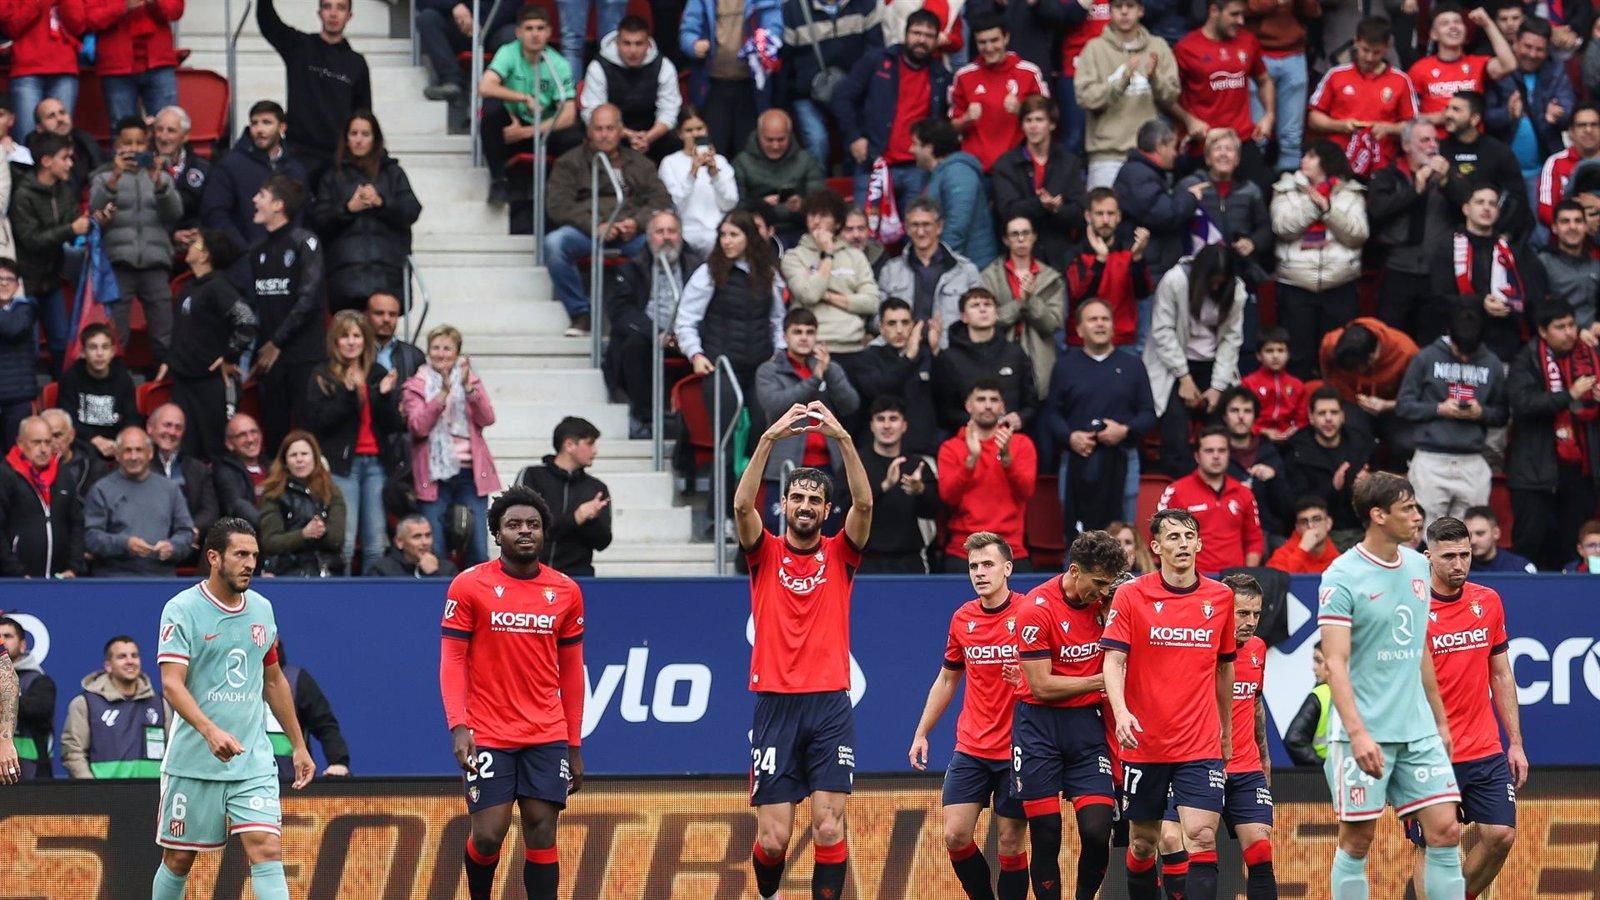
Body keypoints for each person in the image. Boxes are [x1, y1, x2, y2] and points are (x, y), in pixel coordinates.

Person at [734, 402, 871, 900]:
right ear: (785, 505)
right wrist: (768, 440)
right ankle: (768, 895)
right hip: (775, 704)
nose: (806, 505)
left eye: (815, 499)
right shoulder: (764, 552)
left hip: (830, 704)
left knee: (829, 827)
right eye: (797, 497)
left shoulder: (841, 553)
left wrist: (844, 439)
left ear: (827, 510)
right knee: (773, 840)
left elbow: (865, 506)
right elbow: (741, 508)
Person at [1315, 472, 1465, 899]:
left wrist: (1440, 722)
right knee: (1358, 841)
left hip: (1417, 729)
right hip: (1364, 732)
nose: (1418, 516)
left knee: (1446, 830)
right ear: (1378, 515)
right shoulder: (1342, 575)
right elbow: (1335, 663)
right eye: (1407, 508)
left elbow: (1419, 649)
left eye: (1416, 506)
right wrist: (1358, 733)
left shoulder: (1418, 566)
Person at [149, 518, 314, 900]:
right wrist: (209, 731)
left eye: (254, 555)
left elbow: (273, 680)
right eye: (240, 554)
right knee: (178, 859)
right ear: (213, 557)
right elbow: (171, 683)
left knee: (266, 848)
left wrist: (299, 745)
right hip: (194, 762)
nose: (250, 563)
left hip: (251, 760)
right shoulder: (182, 609)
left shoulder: (262, 609)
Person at [438, 486, 583, 900]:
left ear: (544, 533)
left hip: (546, 731)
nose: (525, 531)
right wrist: (458, 725)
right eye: (514, 524)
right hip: (487, 730)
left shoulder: (566, 591)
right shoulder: (469, 585)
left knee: (542, 827)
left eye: (533, 525)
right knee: (488, 834)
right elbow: (452, 660)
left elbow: (572, 673)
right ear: (496, 533)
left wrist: (573, 744)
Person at [1102, 507, 1238, 900]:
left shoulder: (1221, 597)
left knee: (1202, 835)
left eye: (1189, 536)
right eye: (1173, 537)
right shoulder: (1131, 594)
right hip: (1145, 742)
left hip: (1199, 743)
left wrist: (1225, 729)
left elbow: (1224, 668)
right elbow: (1113, 660)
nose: (1182, 544)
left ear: (1199, 544)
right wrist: (1122, 712)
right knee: (1143, 843)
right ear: (1157, 547)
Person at [907, 532, 1032, 900]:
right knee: (955, 835)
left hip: (1017, 749)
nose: (979, 572)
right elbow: (948, 679)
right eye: (974, 566)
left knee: (1010, 841)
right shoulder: (963, 618)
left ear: (1007, 569)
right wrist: (921, 732)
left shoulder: (1030, 612)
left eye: (988, 564)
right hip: (972, 748)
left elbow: (1051, 671)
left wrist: (1025, 679)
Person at [1009, 531, 1127, 900]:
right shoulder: (1036, 609)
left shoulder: (1108, 605)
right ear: (1075, 571)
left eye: (1109, 584)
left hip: (1085, 726)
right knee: (1046, 834)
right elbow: (1042, 686)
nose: (1103, 591)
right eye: (1099, 582)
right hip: (1038, 726)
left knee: (1097, 830)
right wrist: (1102, 679)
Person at [1411, 516, 1525, 899]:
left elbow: (1501, 675)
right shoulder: (1411, 609)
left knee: (1501, 835)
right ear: (1429, 557)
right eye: (1449, 557)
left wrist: (1516, 743)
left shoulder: (1488, 601)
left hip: (1484, 747)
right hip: (1429, 749)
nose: (1459, 564)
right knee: (1435, 841)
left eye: (1465, 554)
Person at [545, 104, 672, 336]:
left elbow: (661, 200)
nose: (604, 134)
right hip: (588, 231)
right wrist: (595, 225)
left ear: (621, 131)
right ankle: (581, 313)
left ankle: (650, 315)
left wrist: (637, 223)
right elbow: (558, 206)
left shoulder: (640, 163)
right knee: (554, 244)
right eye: (599, 128)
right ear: (589, 131)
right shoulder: (569, 162)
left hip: (631, 233)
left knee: (663, 243)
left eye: (610, 128)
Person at [674, 209, 788, 454]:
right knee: (725, 438)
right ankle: (721, 481)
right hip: (721, 366)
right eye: (723, 235)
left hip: (760, 365)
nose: (726, 241)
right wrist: (695, 354)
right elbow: (686, 319)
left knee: (762, 436)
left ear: (749, 237)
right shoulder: (708, 273)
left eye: (733, 235)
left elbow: (777, 319)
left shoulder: (768, 273)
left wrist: (779, 351)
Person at [1047, 299, 1156, 543]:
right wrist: (1070, 437)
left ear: (1113, 326)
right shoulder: (1064, 367)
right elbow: (1052, 414)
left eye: (1105, 319)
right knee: (1077, 537)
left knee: (1123, 533)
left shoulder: (1133, 366)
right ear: (1079, 329)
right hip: (1077, 457)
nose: (1100, 324)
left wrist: (1124, 430)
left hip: (1123, 457)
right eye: (1093, 319)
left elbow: (1148, 414)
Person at [304, 310, 402, 574]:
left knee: (376, 543)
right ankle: (342, 594)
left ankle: (372, 595)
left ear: (365, 340)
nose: (351, 342)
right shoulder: (323, 374)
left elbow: (394, 424)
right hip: (342, 466)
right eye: (345, 336)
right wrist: (348, 395)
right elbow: (319, 423)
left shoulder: (377, 372)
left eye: (357, 336)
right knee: (344, 542)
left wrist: (383, 396)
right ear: (335, 341)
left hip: (377, 465)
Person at [1506, 301, 1600, 572]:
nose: (1569, 332)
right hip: (1534, 472)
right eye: (1560, 327)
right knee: (1530, 544)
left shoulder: (1589, 355)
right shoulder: (1526, 359)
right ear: (1543, 331)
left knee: (1571, 548)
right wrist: (1568, 395)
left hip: (1580, 470)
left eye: (1572, 324)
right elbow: (1523, 404)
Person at [1397, 307, 1507, 531]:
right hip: (1431, 458)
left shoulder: (1492, 363)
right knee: (1424, 532)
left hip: (1472, 460)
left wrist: (1481, 413)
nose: (1465, 357)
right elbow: (1403, 406)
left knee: (1468, 536)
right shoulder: (1426, 357)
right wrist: (1439, 409)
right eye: (1460, 351)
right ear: (1449, 335)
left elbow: (1502, 414)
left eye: (1471, 353)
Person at [754, 307, 862, 531]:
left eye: (810, 332)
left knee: (828, 533)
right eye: (797, 332)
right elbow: (775, 405)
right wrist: (815, 379)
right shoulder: (769, 370)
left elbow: (850, 405)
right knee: (780, 532)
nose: (804, 337)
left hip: (827, 468)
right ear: (785, 336)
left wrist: (828, 372)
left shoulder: (828, 368)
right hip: (785, 468)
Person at [1144, 245, 1246, 477]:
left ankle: (1221, 482)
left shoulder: (1237, 290)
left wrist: (1217, 387)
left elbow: (1231, 339)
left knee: (1220, 426)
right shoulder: (1175, 281)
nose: (1216, 287)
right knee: (1176, 430)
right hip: (1173, 364)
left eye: (1221, 282)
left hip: (1214, 365)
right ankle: (1182, 487)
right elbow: (1163, 331)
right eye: (1212, 281)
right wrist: (1184, 377)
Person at [402, 325, 501, 565]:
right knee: (435, 548)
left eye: (447, 348)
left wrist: (468, 389)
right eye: (436, 348)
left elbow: (487, 418)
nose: (441, 354)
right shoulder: (415, 385)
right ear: (428, 351)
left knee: (478, 549)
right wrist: (441, 396)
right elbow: (418, 427)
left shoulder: (470, 380)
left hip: (470, 474)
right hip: (433, 475)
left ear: (457, 353)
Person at [833, 11, 951, 211]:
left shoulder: (941, 76)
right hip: (874, 162)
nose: (921, 40)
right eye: (916, 33)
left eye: (929, 36)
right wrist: (854, 137)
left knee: (917, 227)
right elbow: (841, 98)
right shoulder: (877, 60)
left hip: (917, 168)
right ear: (905, 34)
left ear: (936, 40)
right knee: (865, 227)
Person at [1270, 140, 1369, 379]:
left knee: (1338, 357)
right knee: (1298, 358)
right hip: (1296, 284)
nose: (1303, 160)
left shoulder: (1351, 192)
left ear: (1327, 161)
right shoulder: (1285, 188)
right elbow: (1282, 227)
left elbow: (1358, 234)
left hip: (1339, 284)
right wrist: (1314, 206)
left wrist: (1329, 211)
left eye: (1311, 156)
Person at [89, 116, 183, 362]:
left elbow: (175, 214)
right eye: (127, 142)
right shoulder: (103, 177)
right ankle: (115, 379)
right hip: (119, 263)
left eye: (139, 143)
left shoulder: (161, 177)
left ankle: (166, 378)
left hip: (155, 262)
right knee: (116, 334)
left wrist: (159, 185)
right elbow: (94, 211)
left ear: (147, 144)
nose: (134, 148)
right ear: (116, 145)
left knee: (164, 332)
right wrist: (114, 179)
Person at [310, 112, 423, 313]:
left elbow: (411, 211)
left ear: (375, 139)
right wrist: (348, 209)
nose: (359, 140)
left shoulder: (393, 173)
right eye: (353, 134)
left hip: (387, 274)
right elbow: (319, 221)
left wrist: (381, 203)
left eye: (365, 134)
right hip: (345, 276)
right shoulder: (332, 176)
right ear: (346, 138)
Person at [162, 228, 257, 464]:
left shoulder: (219, 287)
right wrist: (169, 360)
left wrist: (230, 356)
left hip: (212, 384)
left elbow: (246, 321)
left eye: (196, 243)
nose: (190, 246)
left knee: (219, 452)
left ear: (205, 255)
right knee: (187, 456)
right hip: (185, 383)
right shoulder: (189, 287)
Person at [249, 174, 327, 457]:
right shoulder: (257, 251)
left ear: (278, 205)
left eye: (262, 195)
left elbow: (308, 300)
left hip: (303, 356)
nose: (254, 200)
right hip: (270, 358)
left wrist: (277, 342)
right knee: (274, 432)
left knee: (308, 432)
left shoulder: (305, 242)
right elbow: (258, 305)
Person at [258, 0, 373, 183]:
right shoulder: (300, 46)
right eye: (327, 7)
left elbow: (364, 115)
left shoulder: (357, 63)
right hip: (298, 154)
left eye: (340, 8)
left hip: (338, 158)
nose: (333, 14)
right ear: (319, 13)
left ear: (349, 16)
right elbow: (268, 22)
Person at [1214, 573, 1279, 895]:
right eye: (1242, 613)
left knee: (1261, 850)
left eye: (1256, 614)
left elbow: (1254, 702)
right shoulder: (1203, 649)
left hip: (1247, 767)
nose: (1251, 622)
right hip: (1203, 765)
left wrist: (1264, 758)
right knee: (1189, 848)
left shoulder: (1258, 649)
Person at [1431, 184, 1546, 365]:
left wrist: (1511, 305)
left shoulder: (1514, 252)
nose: (1487, 208)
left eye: (1492, 204)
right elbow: (1439, 298)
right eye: (1480, 202)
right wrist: (1480, 303)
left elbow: (1530, 297)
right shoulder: (1447, 247)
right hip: (1459, 342)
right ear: (1466, 209)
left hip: (1505, 343)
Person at [200, 101, 310, 290]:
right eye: (254, 123)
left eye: (266, 122)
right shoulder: (230, 165)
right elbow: (215, 213)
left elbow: (303, 216)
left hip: (290, 263)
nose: (259, 129)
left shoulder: (296, 169)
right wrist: (245, 251)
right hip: (243, 267)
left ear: (282, 127)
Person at [479, 6, 580, 206]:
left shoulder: (559, 64)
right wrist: (523, 98)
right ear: (518, 32)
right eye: (529, 28)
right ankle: (499, 180)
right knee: (491, 109)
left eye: (540, 28)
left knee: (574, 135)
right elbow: (485, 87)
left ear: (549, 32)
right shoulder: (508, 52)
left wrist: (527, 132)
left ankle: (560, 191)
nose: (535, 34)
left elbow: (569, 114)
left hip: (541, 129)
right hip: (512, 126)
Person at [1075, 0, 1181, 190]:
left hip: (1149, 156)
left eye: (1130, 6)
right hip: (1107, 155)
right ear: (1110, 11)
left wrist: (1154, 78)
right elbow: (1085, 98)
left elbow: (1172, 95)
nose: (1124, 12)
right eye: (1118, 6)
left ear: (1141, 10)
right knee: (1103, 210)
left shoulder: (1158, 46)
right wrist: (1122, 80)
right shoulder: (1094, 49)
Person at [780, 189, 881, 379]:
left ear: (837, 223)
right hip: (813, 350)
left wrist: (827, 296)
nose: (816, 221)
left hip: (853, 347)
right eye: (812, 215)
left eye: (824, 215)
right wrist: (827, 255)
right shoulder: (794, 257)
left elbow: (872, 302)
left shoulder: (855, 256)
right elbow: (810, 295)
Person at [938, 379, 1037, 572]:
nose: (988, 405)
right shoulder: (951, 447)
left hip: (1010, 550)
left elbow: (1026, 492)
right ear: (968, 406)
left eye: (994, 399)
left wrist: (1007, 460)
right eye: (981, 399)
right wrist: (971, 461)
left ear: (1002, 407)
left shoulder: (1021, 444)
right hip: (964, 551)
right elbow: (948, 497)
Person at [1172, 0, 1275, 185]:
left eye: (1242, 15)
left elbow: (1264, 80)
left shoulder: (1248, 41)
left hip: (1242, 138)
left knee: (1261, 190)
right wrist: (1188, 120)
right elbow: (1168, 97)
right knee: (1199, 196)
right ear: (1214, 11)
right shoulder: (1186, 47)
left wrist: (1269, 115)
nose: (1241, 21)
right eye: (1234, 14)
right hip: (1205, 141)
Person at [1368, 119, 1452, 345]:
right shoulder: (1387, 175)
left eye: (1435, 140)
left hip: (1436, 272)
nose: (1432, 146)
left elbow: (1467, 204)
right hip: (1397, 269)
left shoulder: (1446, 176)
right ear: (1406, 145)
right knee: (1391, 340)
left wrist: (1448, 181)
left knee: (1431, 342)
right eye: (1425, 140)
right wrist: (1415, 188)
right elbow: (1377, 211)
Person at [10, 132, 90, 369]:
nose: (70, 163)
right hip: (25, 283)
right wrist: (71, 229)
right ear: (46, 161)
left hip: (52, 279)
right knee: (29, 346)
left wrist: (94, 220)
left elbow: (73, 219)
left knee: (61, 343)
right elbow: (32, 240)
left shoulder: (64, 189)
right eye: (64, 158)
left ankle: (62, 389)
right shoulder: (23, 195)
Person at [778, 0, 884, 168]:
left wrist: (854, 88)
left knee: (857, 141)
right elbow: (786, 62)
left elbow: (875, 54)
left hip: (854, 92)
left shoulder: (865, 4)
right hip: (807, 92)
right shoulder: (793, 9)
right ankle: (816, 183)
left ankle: (854, 181)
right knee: (817, 142)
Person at [992, 96, 1088, 268]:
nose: (1033, 126)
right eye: (1028, 120)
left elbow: (1080, 213)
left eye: (1039, 120)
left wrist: (1058, 209)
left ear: (1052, 124)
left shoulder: (1069, 163)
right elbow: (1006, 211)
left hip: (1060, 257)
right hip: (1019, 258)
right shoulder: (1006, 164)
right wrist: (1040, 205)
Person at [84, 427, 194, 576]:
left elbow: (186, 532)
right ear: (117, 455)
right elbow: (90, 537)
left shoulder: (170, 489)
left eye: (139, 450)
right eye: (127, 450)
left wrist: (173, 546)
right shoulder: (101, 489)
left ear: (150, 453)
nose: (133, 456)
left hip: (161, 578)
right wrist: (124, 544)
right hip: (114, 578)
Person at [678, 0, 783, 157]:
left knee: (748, 150)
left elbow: (774, 26)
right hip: (713, 85)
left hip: (750, 86)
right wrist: (693, 45)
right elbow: (687, 30)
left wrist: (766, 43)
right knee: (713, 148)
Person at [949, 14, 1048, 173]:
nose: (989, 48)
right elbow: (951, 128)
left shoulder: (1029, 72)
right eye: (982, 42)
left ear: (1006, 38)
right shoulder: (964, 76)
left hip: (1017, 167)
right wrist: (966, 119)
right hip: (976, 168)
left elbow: (1048, 120)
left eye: (994, 40)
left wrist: (1021, 110)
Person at [514, 417, 613, 577]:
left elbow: (603, 542)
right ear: (569, 445)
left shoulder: (597, 488)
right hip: (530, 576)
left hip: (577, 578)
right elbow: (524, 528)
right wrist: (576, 517)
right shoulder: (532, 476)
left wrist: (591, 520)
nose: (595, 451)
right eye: (590, 444)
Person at [1485, 19, 1574, 196]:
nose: (1532, 54)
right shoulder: (1499, 70)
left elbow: (1569, 108)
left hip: (1543, 171)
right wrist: (1508, 114)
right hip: (1501, 171)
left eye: (1539, 49)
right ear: (1515, 43)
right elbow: (1485, 116)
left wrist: (1558, 115)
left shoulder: (1556, 70)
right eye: (1527, 47)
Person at [1157, 427, 1265, 572]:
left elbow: (1254, 540)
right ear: (1197, 456)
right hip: (1192, 579)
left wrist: (1247, 576)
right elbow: (1160, 537)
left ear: (1229, 454)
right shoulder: (1176, 492)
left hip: (1234, 579)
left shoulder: (1244, 493)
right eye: (1209, 451)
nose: (1216, 456)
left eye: (1222, 451)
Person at [876, 197, 985, 338]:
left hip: (952, 348)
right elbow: (877, 317)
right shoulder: (891, 271)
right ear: (907, 228)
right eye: (915, 225)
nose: (920, 232)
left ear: (939, 227)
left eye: (926, 225)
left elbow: (980, 316)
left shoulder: (966, 271)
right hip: (902, 348)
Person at [933, 288, 1038, 432]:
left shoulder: (1015, 353)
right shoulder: (949, 358)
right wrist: (980, 422)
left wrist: (1021, 417)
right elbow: (943, 410)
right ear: (964, 317)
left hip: (1011, 436)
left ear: (996, 313)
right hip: (965, 439)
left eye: (988, 304)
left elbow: (1032, 402)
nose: (982, 309)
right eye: (975, 305)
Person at [578, 15, 681, 161]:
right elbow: (592, 112)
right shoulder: (598, 66)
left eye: (639, 44)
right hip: (611, 131)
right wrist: (627, 134)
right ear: (617, 43)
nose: (633, 50)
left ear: (648, 44)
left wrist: (648, 138)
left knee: (677, 140)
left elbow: (669, 111)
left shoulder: (664, 66)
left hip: (652, 133)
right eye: (627, 43)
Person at [1177, 128, 1273, 284]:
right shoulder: (1190, 186)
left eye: (1229, 149)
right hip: (1197, 274)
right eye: (1217, 149)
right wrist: (1189, 199)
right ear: (1208, 159)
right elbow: (1174, 223)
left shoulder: (1251, 191)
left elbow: (1265, 228)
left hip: (1239, 273)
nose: (1223, 154)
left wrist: (1253, 242)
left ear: (1237, 159)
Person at [60, 635, 163, 778]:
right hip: (105, 791)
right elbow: (73, 751)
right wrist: (91, 787)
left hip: (154, 790)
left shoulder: (160, 703)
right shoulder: (85, 703)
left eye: (134, 656)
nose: (130, 661)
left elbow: (174, 750)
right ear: (108, 666)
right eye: (122, 657)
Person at [985, 216, 1066, 398]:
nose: (1021, 239)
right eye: (1015, 234)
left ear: (1034, 236)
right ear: (1005, 240)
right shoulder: (990, 276)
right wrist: (1021, 303)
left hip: (1039, 357)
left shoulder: (1051, 278)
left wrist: (1031, 301)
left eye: (1025, 233)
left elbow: (1052, 324)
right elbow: (988, 320)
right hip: (1001, 353)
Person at [1436, 91, 1532, 242]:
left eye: (1456, 110)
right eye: (1448, 108)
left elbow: (1517, 198)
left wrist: (1505, 235)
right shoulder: (1439, 150)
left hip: (1489, 236)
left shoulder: (1498, 151)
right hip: (1446, 236)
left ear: (1474, 119)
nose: (1448, 114)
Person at [1114, 120, 1197, 293]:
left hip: (1156, 263)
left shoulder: (1146, 172)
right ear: (1160, 146)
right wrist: (1190, 197)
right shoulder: (1138, 175)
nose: (1175, 154)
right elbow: (1166, 215)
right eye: (1173, 147)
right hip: (1151, 269)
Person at [858, 396, 939, 572]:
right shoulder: (856, 464)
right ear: (871, 425)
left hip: (909, 560)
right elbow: (843, 505)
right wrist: (884, 486)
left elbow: (934, 510)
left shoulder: (917, 464)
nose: (887, 425)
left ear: (904, 425)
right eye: (880, 419)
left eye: (893, 419)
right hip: (866, 561)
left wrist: (920, 490)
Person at [1064, 189, 1151, 351]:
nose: (1105, 220)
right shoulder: (1075, 254)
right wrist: (1100, 261)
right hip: (1081, 344)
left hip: (1123, 342)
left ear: (1119, 216)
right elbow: (1079, 300)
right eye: (1099, 214)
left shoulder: (1130, 251)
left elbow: (1143, 294)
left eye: (1110, 214)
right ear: (1088, 216)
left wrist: (1138, 257)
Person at [1284, 386, 1377, 536]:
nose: (1328, 418)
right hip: (1319, 531)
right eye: (1322, 413)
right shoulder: (1297, 450)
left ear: (1342, 416)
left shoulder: (1359, 442)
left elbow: (1378, 491)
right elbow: (1295, 504)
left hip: (1361, 526)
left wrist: (1367, 486)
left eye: (1334, 412)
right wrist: (1333, 488)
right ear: (1311, 417)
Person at [853, 298, 940, 456]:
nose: (899, 330)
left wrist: (937, 352)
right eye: (892, 323)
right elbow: (878, 389)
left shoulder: (926, 355)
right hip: (880, 451)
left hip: (922, 449)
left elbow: (945, 397)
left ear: (913, 325)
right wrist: (908, 358)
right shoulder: (867, 358)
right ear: (881, 328)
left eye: (905, 323)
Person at [0, 416, 84, 577]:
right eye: (36, 442)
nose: (44, 449)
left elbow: (76, 523)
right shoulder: (6, 475)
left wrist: (74, 567)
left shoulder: (63, 475)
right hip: (17, 579)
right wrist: (15, 572)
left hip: (60, 577)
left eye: (47, 442)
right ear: (20, 443)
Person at [256, 430, 346, 577]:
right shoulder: (273, 493)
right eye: (293, 455)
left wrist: (321, 531)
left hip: (327, 572)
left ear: (315, 458)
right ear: (285, 461)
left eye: (304, 454)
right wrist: (303, 534)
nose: (299, 459)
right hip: (287, 572)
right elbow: (270, 542)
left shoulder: (332, 491)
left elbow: (337, 539)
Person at [915, 118, 1000, 269]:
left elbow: (957, 225)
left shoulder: (959, 173)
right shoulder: (940, 173)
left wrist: (938, 264)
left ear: (929, 147)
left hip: (972, 269)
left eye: (915, 144)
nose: (911, 149)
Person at [733, 110, 827, 246]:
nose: (775, 146)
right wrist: (760, 205)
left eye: (781, 139)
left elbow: (821, 203)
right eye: (769, 140)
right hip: (755, 232)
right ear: (759, 135)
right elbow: (735, 206)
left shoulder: (806, 161)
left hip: (798, 229)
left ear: (790, 135)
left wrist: (802, 205)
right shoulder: (742, 163)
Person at [1408, 5, 1515, 121]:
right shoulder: (1419, 69)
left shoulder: (1478, 63)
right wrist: (1436, 119)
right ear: (1434, 34)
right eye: (1445, 23)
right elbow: (1407, 116)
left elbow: (1509, 65)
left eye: (1457, 22)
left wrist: (1487, 23)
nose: (1453, 26)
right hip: (1435, 132)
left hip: (1473, 131)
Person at [1, 1, 89, 141]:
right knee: (27, 136)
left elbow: (78, 26)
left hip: (64, 67)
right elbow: (11, 28)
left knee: (62, 135)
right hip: (26, 69)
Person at [264, 640, 351, 781]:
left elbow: (325, 725)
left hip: (292, 783)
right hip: (243, 782)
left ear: (275, 640)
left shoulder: (296, 680)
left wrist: (338, 762)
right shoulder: (235, 682)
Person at [658, 107, 740, 256]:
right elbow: (673, 205)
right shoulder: (669, 163)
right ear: (680, 134)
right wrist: (692, 173)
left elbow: (730, 203)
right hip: (683, 235)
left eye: (699, 129)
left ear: (707, 130)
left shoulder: (720, 161)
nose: (695, 134)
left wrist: (715, 175)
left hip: (716, 235)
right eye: (689, 130)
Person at [56, 324, 141, 463]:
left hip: (116, 444)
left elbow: (132, 418)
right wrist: (95, 439)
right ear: (83, 352)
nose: (99, 353)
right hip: (83, 444)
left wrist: (120, 441)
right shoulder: (71, 378)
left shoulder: (123, 379)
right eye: (93, 347)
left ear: (112, 352)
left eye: (105, 347)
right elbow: (67, 420)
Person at [85, 0, 181, 123]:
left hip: (158, 62)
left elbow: (175, 11)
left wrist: (155, 2)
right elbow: (90, 19)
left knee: (167, 123)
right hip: (117, 66)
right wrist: (123, 5)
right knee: (122, 127)